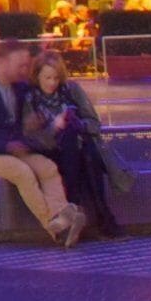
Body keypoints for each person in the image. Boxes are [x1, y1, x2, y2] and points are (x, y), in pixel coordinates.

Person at [0, 41, 82, 244]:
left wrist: (28, 127)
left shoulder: (18, 88)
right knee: (23, 172)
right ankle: (55, 225)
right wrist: (7, 145)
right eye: (20, 65)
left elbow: (18, 123)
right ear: (2, 61)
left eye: (26, 65)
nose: (25, 70)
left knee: (47, 168)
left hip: (13, 150)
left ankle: (61, 215)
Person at [27, 53, 124, 239]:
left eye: (56, 78)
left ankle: (76, 210)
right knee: (82, 151)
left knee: (82, 148)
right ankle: (104, 217)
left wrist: (78, 123)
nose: (52, 83)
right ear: (37, 76)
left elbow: (94, 123)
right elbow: (31, 138)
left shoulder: (71, 90)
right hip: (50, 149)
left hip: (78, 146)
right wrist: (54, 126)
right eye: (47, 77)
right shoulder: (30, 98)